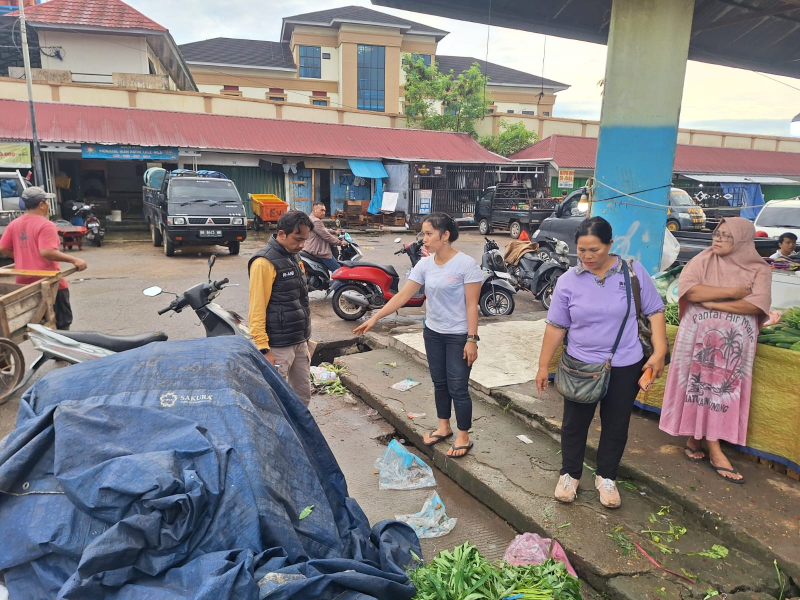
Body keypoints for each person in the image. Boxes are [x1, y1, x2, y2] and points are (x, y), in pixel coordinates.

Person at [535, 217, 667, 508]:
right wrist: (543, 365)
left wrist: (659, 350)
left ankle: (607, 477)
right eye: (581, 250)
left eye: (594, 250)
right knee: (574, 424)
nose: (587, 256)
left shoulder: (632, 273)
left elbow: (655, 311)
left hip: (626, 364)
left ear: (610, 244)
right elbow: (556, 326)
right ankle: (570, 474)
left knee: (616, 425)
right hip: (580, 365)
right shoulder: (568, 281)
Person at [353, 213, 483, 458]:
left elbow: (471, 305)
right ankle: (443, 427)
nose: (424, 239)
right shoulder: (425, 264)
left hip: (458, 336)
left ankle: (463, 436)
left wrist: (471, 339)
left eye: (429, 233)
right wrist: (375, 317)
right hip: (433, 333)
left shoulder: (466, 265)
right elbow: (403, 295)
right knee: (439, 383)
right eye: (423, 233)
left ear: (445, 236)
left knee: (458, 387)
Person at [659, 218, 771, 484]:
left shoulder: (760, 269)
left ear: (742, 239)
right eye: (717, 234)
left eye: (726, 235)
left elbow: (756, 304)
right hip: (697, 339)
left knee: (720, 391)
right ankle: (703, 441)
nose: (718, 239)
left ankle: (705, 441)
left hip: (733, 348)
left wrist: (712, 303)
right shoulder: (702, 259)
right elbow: (690, 291)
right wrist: (733, 292)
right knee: (698, 386)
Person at [248, 210, 314, 406]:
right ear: (282, 234)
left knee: (303, 395)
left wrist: (305, 337)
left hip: (299, 341)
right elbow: (257, 308)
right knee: (276, 400)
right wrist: (263, 348)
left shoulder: (294, 256)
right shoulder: (263, 262)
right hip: (278, 346)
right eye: (298, 239)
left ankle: (300, 426)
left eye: (305, 240)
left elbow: (299, 299)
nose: (302, 245)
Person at [0, 187, 87, 330]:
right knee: (63, 324)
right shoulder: (46, 225)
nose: (48, 205)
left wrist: (24, 257)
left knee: (36, 326)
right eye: (47, 202)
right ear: (41, 204)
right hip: (49, 284)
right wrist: (74, 260)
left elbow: (3, 247)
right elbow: (47, 252)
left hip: (24, 285)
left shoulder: (15, 223)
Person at [305, 202, 348, 274]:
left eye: (324, 211)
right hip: (319, 251)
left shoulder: (311, 218)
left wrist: (334, 232)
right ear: (315, 210)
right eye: (321, 210)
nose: (323, 213)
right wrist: (340, 242)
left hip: (310, 248)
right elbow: (326, 236)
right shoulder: (316, 221)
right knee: (338, 271)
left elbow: (322, 230)